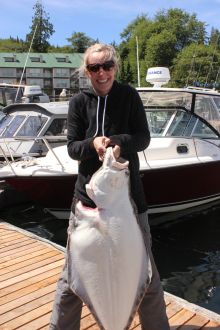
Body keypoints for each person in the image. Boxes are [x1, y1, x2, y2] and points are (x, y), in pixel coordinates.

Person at [49, 43, 170, 330]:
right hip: (86, 204)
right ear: (87, 71)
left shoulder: (128, 96)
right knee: (71, 279)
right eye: (94, 68)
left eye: (107, 66)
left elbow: (143, 138)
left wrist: (116, 143)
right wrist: (92, 145)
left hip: (128, 202)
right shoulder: (79, 102)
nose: (101, 73)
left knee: (147, 275)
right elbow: (72, 148)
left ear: (115, 67)